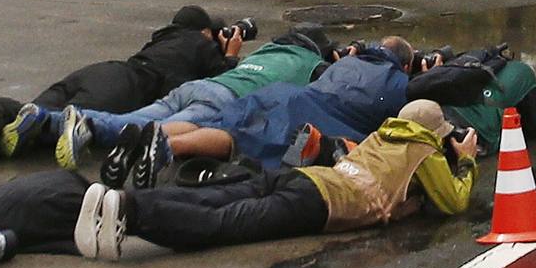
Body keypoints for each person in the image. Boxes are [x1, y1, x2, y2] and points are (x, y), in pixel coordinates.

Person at [69, 99, 480, 261]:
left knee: (219, 196)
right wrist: (464, 162)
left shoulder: (383, 134)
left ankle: (119, 201)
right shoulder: (425, 151)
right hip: (321, 203)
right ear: (436, 134)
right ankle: (131, 213)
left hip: (304, 177)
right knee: (226, 223)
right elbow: (454, 203)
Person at [0, 6, 241, 164]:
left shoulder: (160, 41)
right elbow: (209, 92)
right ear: (205, 33)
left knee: (31, 118)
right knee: (56, 128)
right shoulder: (200, 44)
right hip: (126, 87)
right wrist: (227, 57)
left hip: (101, 72)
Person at [111, 39, 421, 189]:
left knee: (220, 121)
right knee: (235, 139)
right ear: (405, 65)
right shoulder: (398, 83)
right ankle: (167, 146)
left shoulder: (346, 63)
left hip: (283, 94)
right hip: (307, 116)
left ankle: (150, 134)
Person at [54, 27, 335, 170]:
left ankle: (50, 118)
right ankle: (90, 129)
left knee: (132, 119)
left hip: (198, 87)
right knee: (152, 135)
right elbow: (337, 85)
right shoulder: (312, 63)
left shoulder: (267, 50)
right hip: (224, 100)